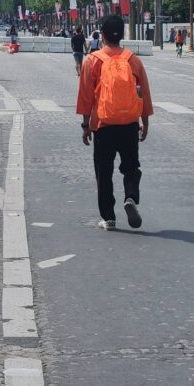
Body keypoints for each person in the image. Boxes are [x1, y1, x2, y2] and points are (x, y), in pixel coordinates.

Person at [76, 15, 153, 231]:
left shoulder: (93, 60)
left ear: (102, 35)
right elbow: (143, 93)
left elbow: (85, 96)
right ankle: (130, 197)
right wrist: (144, 121)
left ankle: (108, 217)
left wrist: (85, 125)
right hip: (129, 122)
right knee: (131, 167)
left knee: (104, 172)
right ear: (122, 35)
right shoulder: (133, 60)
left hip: (103, 124)